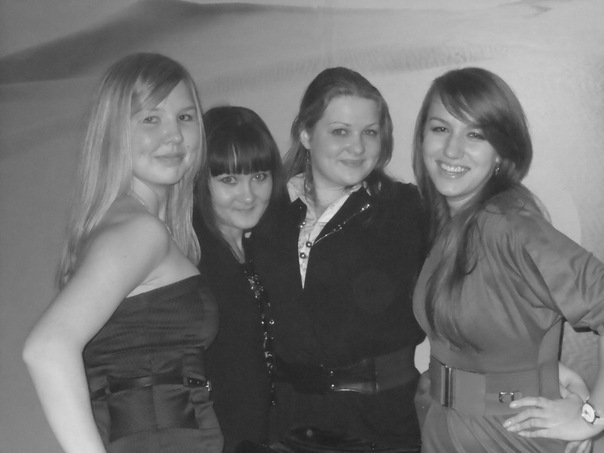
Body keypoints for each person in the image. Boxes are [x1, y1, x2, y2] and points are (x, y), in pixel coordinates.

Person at [22, 53, 223, 453]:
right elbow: (46, 348)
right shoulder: (138, 231)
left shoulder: (131, 224)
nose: (174, 135)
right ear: (114, 131)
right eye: (151, 119)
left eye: (185, 117)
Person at [411, 66, 604, 452]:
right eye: (441, 128)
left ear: (501, 150)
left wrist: (592, 417)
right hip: (444, 426)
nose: (452, 150)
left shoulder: (509, 226)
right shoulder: (452, 222)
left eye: (475, 134)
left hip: (505, 437)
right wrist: (537, 369)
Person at [252, 67, 427, 452]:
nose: (358, 147)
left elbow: (474, 292)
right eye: (340, 131)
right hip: (289, 424)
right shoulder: (266, 212)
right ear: (306, 133)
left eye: (370, 132)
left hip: (380, 424)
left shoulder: (406, 210)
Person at [193, 105, 288, 452]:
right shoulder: (186, 256)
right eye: (229, 180)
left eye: (259, 176)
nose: (248, 195)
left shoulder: (267, 247)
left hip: (271, 436)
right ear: (200, 181)